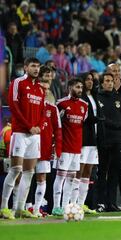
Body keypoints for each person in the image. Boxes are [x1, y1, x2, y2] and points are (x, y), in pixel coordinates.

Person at [1, 58, 44, 219]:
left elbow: (41, 111)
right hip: (20, 133)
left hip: (34, 135)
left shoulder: (39, 89)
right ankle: (4, 208)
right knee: (15, 170)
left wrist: (39, 126)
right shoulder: (18, 82)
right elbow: (13, 105)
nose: (36, 69)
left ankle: (19, 209)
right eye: (33, 66)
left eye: (38, 66)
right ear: (25, 67)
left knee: (29, 172)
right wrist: (28, 126)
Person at [96, 73, 121, 212]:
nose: (110, 83)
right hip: (102, 139)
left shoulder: (120, 98)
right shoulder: (97, 98)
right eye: (106, 81)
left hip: (118, 139)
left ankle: (112, 202)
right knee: (102, 171)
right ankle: (100, 202)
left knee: (116, 170)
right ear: (101, 83)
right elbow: (101, 119)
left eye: (112, 81)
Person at [52, 78, 88, 216]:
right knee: (60, 177)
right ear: (70, 87)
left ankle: (65, 206)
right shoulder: (61, 104)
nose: (80, 90)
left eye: (81, 88)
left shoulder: (84, 106)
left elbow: (82, 124)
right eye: (78, 87)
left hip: (77, 147)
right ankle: (56, 206)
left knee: (71, 178)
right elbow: (56, 125)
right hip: (65, 147)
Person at [70, 73, 100, 214]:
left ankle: (81, 204)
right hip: (83, 139)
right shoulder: (81, 99)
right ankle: (72, 204)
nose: (90, 82)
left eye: (91, 80)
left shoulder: (94, 97)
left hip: (93, 140)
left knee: (88, 172)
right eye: (87, 79)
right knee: (78, 171)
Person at [33, 79, 62, 217]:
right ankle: (22, 206)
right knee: (24, 176)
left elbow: (58, 130)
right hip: (30, 147)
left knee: (41, 177)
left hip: (44, 149)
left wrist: (57, 148)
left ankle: (36, 208)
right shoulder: (31, 106)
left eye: (47, 90)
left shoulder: (53, 109)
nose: (44, 92)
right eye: (42, 89)